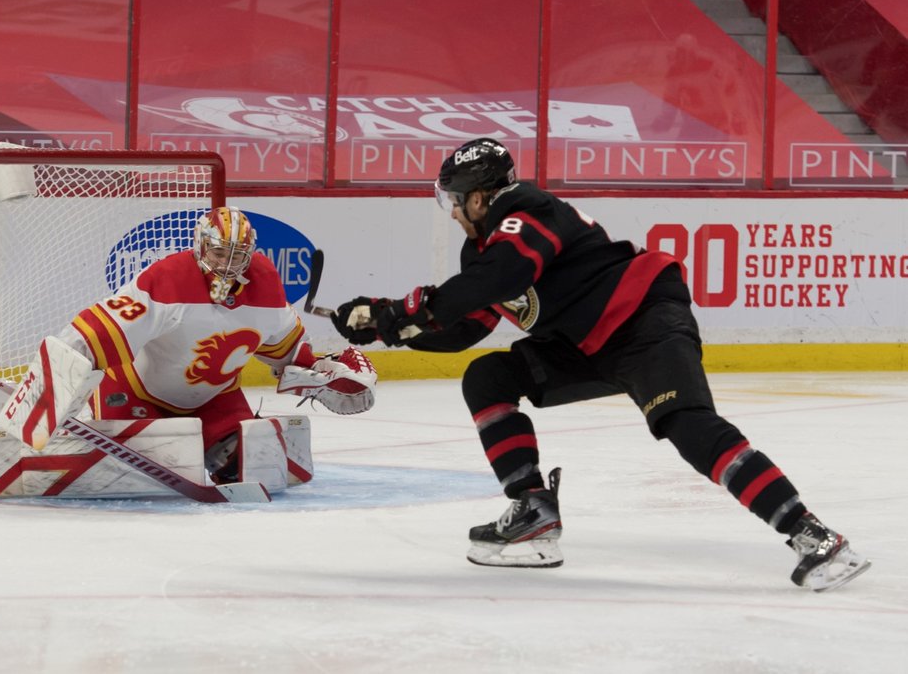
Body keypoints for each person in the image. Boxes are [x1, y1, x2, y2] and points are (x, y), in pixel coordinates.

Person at [330, 138, 869, 591]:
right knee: (488, 376)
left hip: (642, 320)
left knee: (687, 426)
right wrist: (390, 331)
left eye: (454, 199)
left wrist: (402, 309)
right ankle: (533, 512)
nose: (450, 211)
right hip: (585, 344)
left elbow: (504, 277)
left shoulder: (527, 210)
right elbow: (468, 328)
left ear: (481, 196)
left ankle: (813, 534)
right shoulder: (484, 252)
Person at [51, 205, 376, 483]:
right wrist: (54, 382)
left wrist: (321, 369)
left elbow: (286, 350)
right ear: (202, 247)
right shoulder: (169, 278)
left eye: (239, 256)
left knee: (249, 465)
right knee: (126, 477)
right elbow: (101, 328)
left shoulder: (265, 284)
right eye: (220, 252)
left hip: (214, 398)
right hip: (133, 391)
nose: (227, 265)